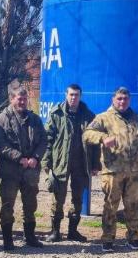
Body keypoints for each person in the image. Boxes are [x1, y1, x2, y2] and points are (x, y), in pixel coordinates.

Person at [83, 87, 138, 252]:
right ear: (113, 99)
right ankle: (107, 239)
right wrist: (103, 138)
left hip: (134, 171)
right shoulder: (104, 118)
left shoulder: (137, 119)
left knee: (133, 205)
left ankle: (133, 237)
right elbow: (87, 134)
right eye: (119, 99)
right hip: (112, 170)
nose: (122, 102)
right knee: (110, 206)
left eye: (125, 99)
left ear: (129, 100)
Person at [0, 81, 46, 250]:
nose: (22, 102)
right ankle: (8, 240)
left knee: (30, 205)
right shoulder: (1, 119)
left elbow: (44, 141)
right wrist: (19, 158)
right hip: (10, 171)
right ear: (11, 99)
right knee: (8, 205)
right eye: (19, 99)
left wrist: (36, 157)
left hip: (30, 171)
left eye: (24, 99)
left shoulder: (35, 119)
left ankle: (30, 237)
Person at [42, 84, 98, 243]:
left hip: (81, 163)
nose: (74, 98)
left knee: (78, 198)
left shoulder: (88, 116)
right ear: (66, 95)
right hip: (60, 162)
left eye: (77, 95)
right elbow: (48, 139)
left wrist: (95, 165)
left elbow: (95, 143)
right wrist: (46, 161)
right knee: (57, 197)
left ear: (81, 96)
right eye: (71, 95)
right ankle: (55, 231)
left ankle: (73, 231)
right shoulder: (56, 114)